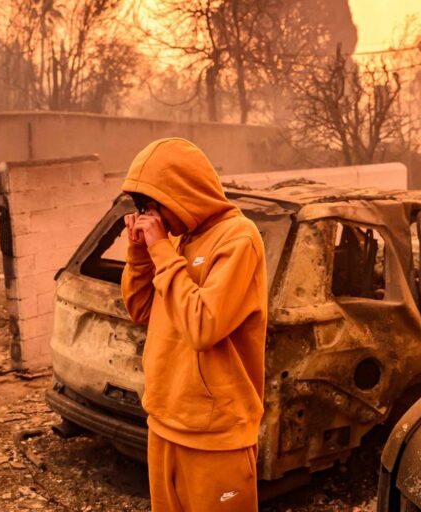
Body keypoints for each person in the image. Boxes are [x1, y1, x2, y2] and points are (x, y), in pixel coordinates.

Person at [121, 138, 267, 511]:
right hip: (164, 422)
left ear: (183, 191)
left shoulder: (239, 238)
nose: (150, 215)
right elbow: (140, 310)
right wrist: (140, 251)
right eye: (142, 206)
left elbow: (203, 327)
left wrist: (161, 251)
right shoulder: (181, 240)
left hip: (216, 438)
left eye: (154, 204)